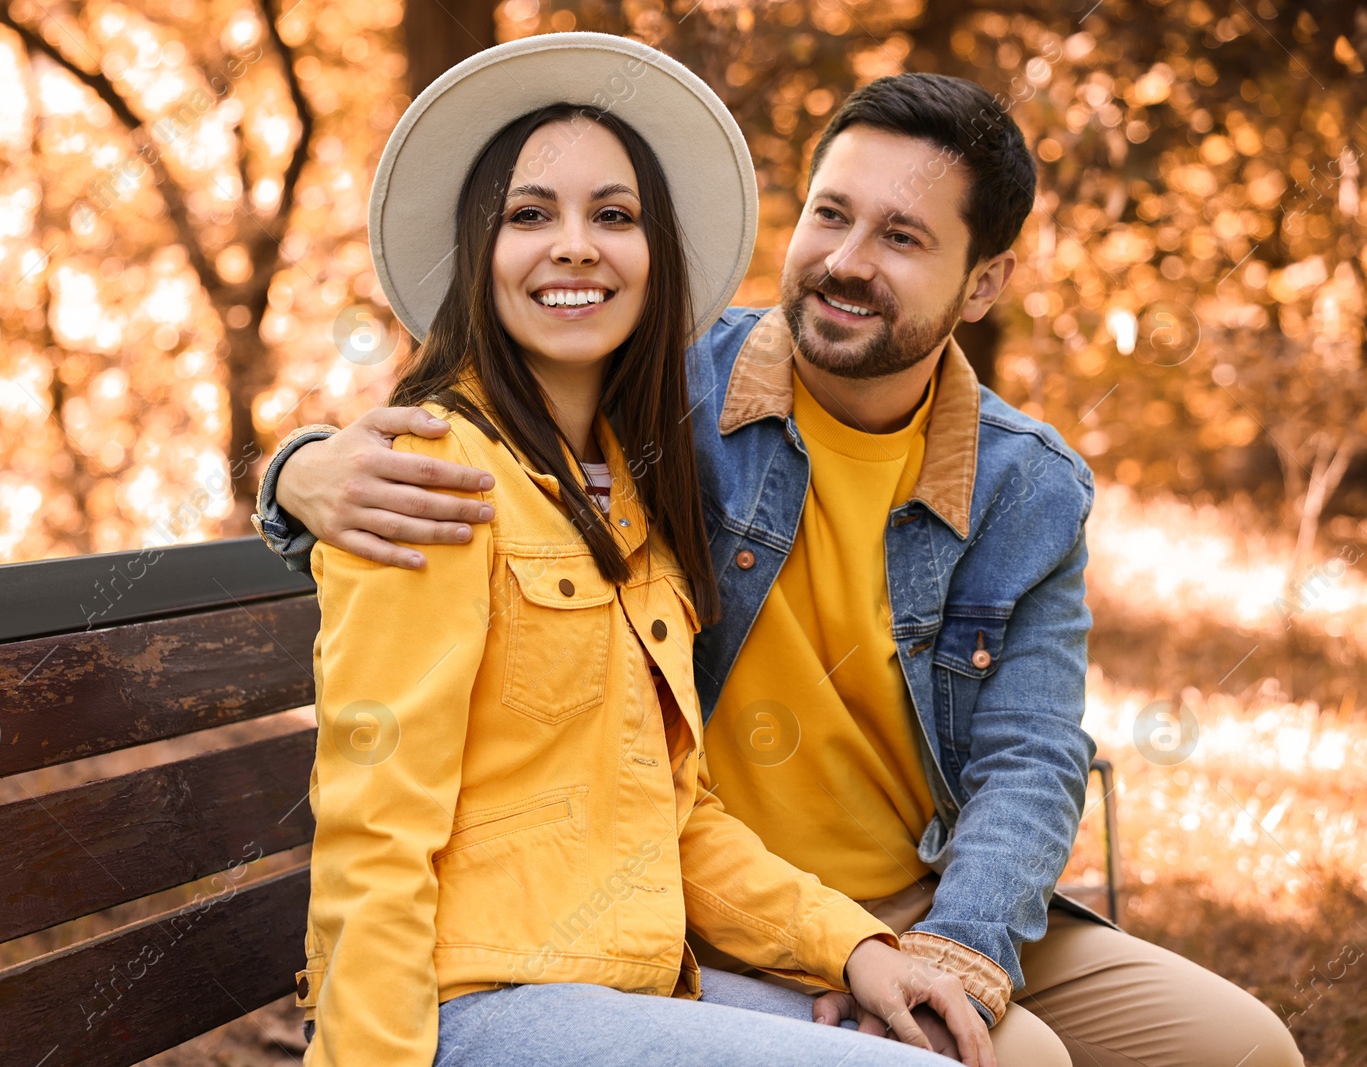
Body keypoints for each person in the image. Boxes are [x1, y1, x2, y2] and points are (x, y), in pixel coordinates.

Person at [260, 65, 1305, 1067]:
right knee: (1005, 1055)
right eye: (831, 213)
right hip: (608, 938)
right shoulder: (668, 393)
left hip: (897, 891)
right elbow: (379, 811)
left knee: (1244, 1045)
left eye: (901, 235)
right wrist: (296, 469)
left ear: (984, 281)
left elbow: (1029, 755)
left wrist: (946, 944)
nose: (849, 260)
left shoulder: (1017, 486)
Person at [294, 33, 989, 1067]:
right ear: (479, 249)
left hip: (619, 988)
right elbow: (374, 832)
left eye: (612, 216)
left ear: (653, 253)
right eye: (529, 215)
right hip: (475, 1006)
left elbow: (676, 819)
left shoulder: (627, 490)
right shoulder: (435, 482)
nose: (574, 245)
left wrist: (851, 947)